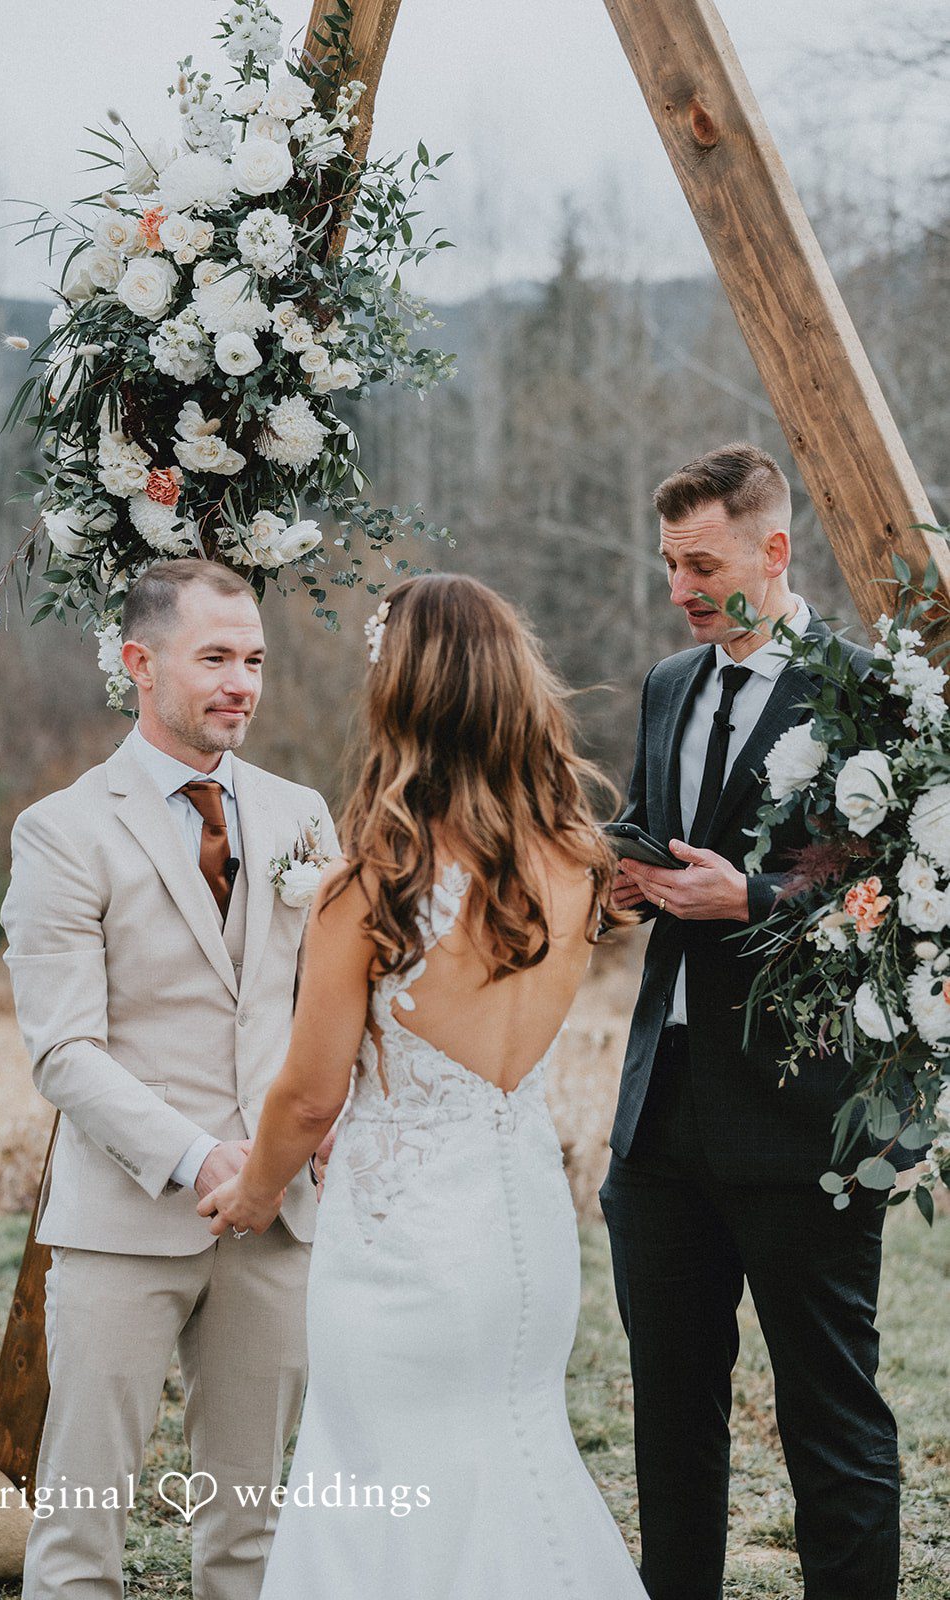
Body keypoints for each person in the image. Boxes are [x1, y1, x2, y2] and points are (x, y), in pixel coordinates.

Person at [199, 572, 649, 1598]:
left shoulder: (369, 888)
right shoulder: (578, 864)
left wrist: (256, 1193)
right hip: (527, 1238)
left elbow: (309, 1096)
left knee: (381, 1486)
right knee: (515, 1463)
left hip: (401, 1253)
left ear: (403, 697)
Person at [1, 558, 338, 1600]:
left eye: (254, 660)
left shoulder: (300, 817)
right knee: (79, 1531)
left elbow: (330, 1005)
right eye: (215, 659)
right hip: (124, 1224)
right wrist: (203, 1157)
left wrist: (307, 1132)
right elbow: (64, 1049)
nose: (242, 682)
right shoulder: (63, 829)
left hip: (277, 1221)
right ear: (140, 664)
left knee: (251, 1532)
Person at [600, 443, 901, 1600]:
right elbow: (651, 820)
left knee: (831, 1420)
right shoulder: (667, 684)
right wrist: (623, 875)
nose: (677, 585)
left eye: (701, 561)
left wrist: (758, 898)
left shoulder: (865, 692)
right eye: (669, 560)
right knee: (671, 1421)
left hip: (805, 1116)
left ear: (773, 552)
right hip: (661, 1117)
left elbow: (897, 890)